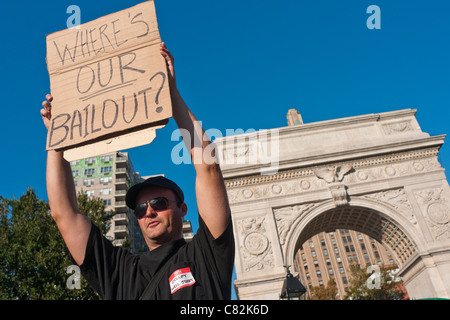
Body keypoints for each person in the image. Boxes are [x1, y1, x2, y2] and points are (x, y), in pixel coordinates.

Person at [40, 43, 235, 300]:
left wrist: (171, 94)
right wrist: (57, 139)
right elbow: (63, 214)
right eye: (140, 209)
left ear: (183, 209)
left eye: (158, 202)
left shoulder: (206, 255)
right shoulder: (120, 272)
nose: (149, 211)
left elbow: (208, 167)